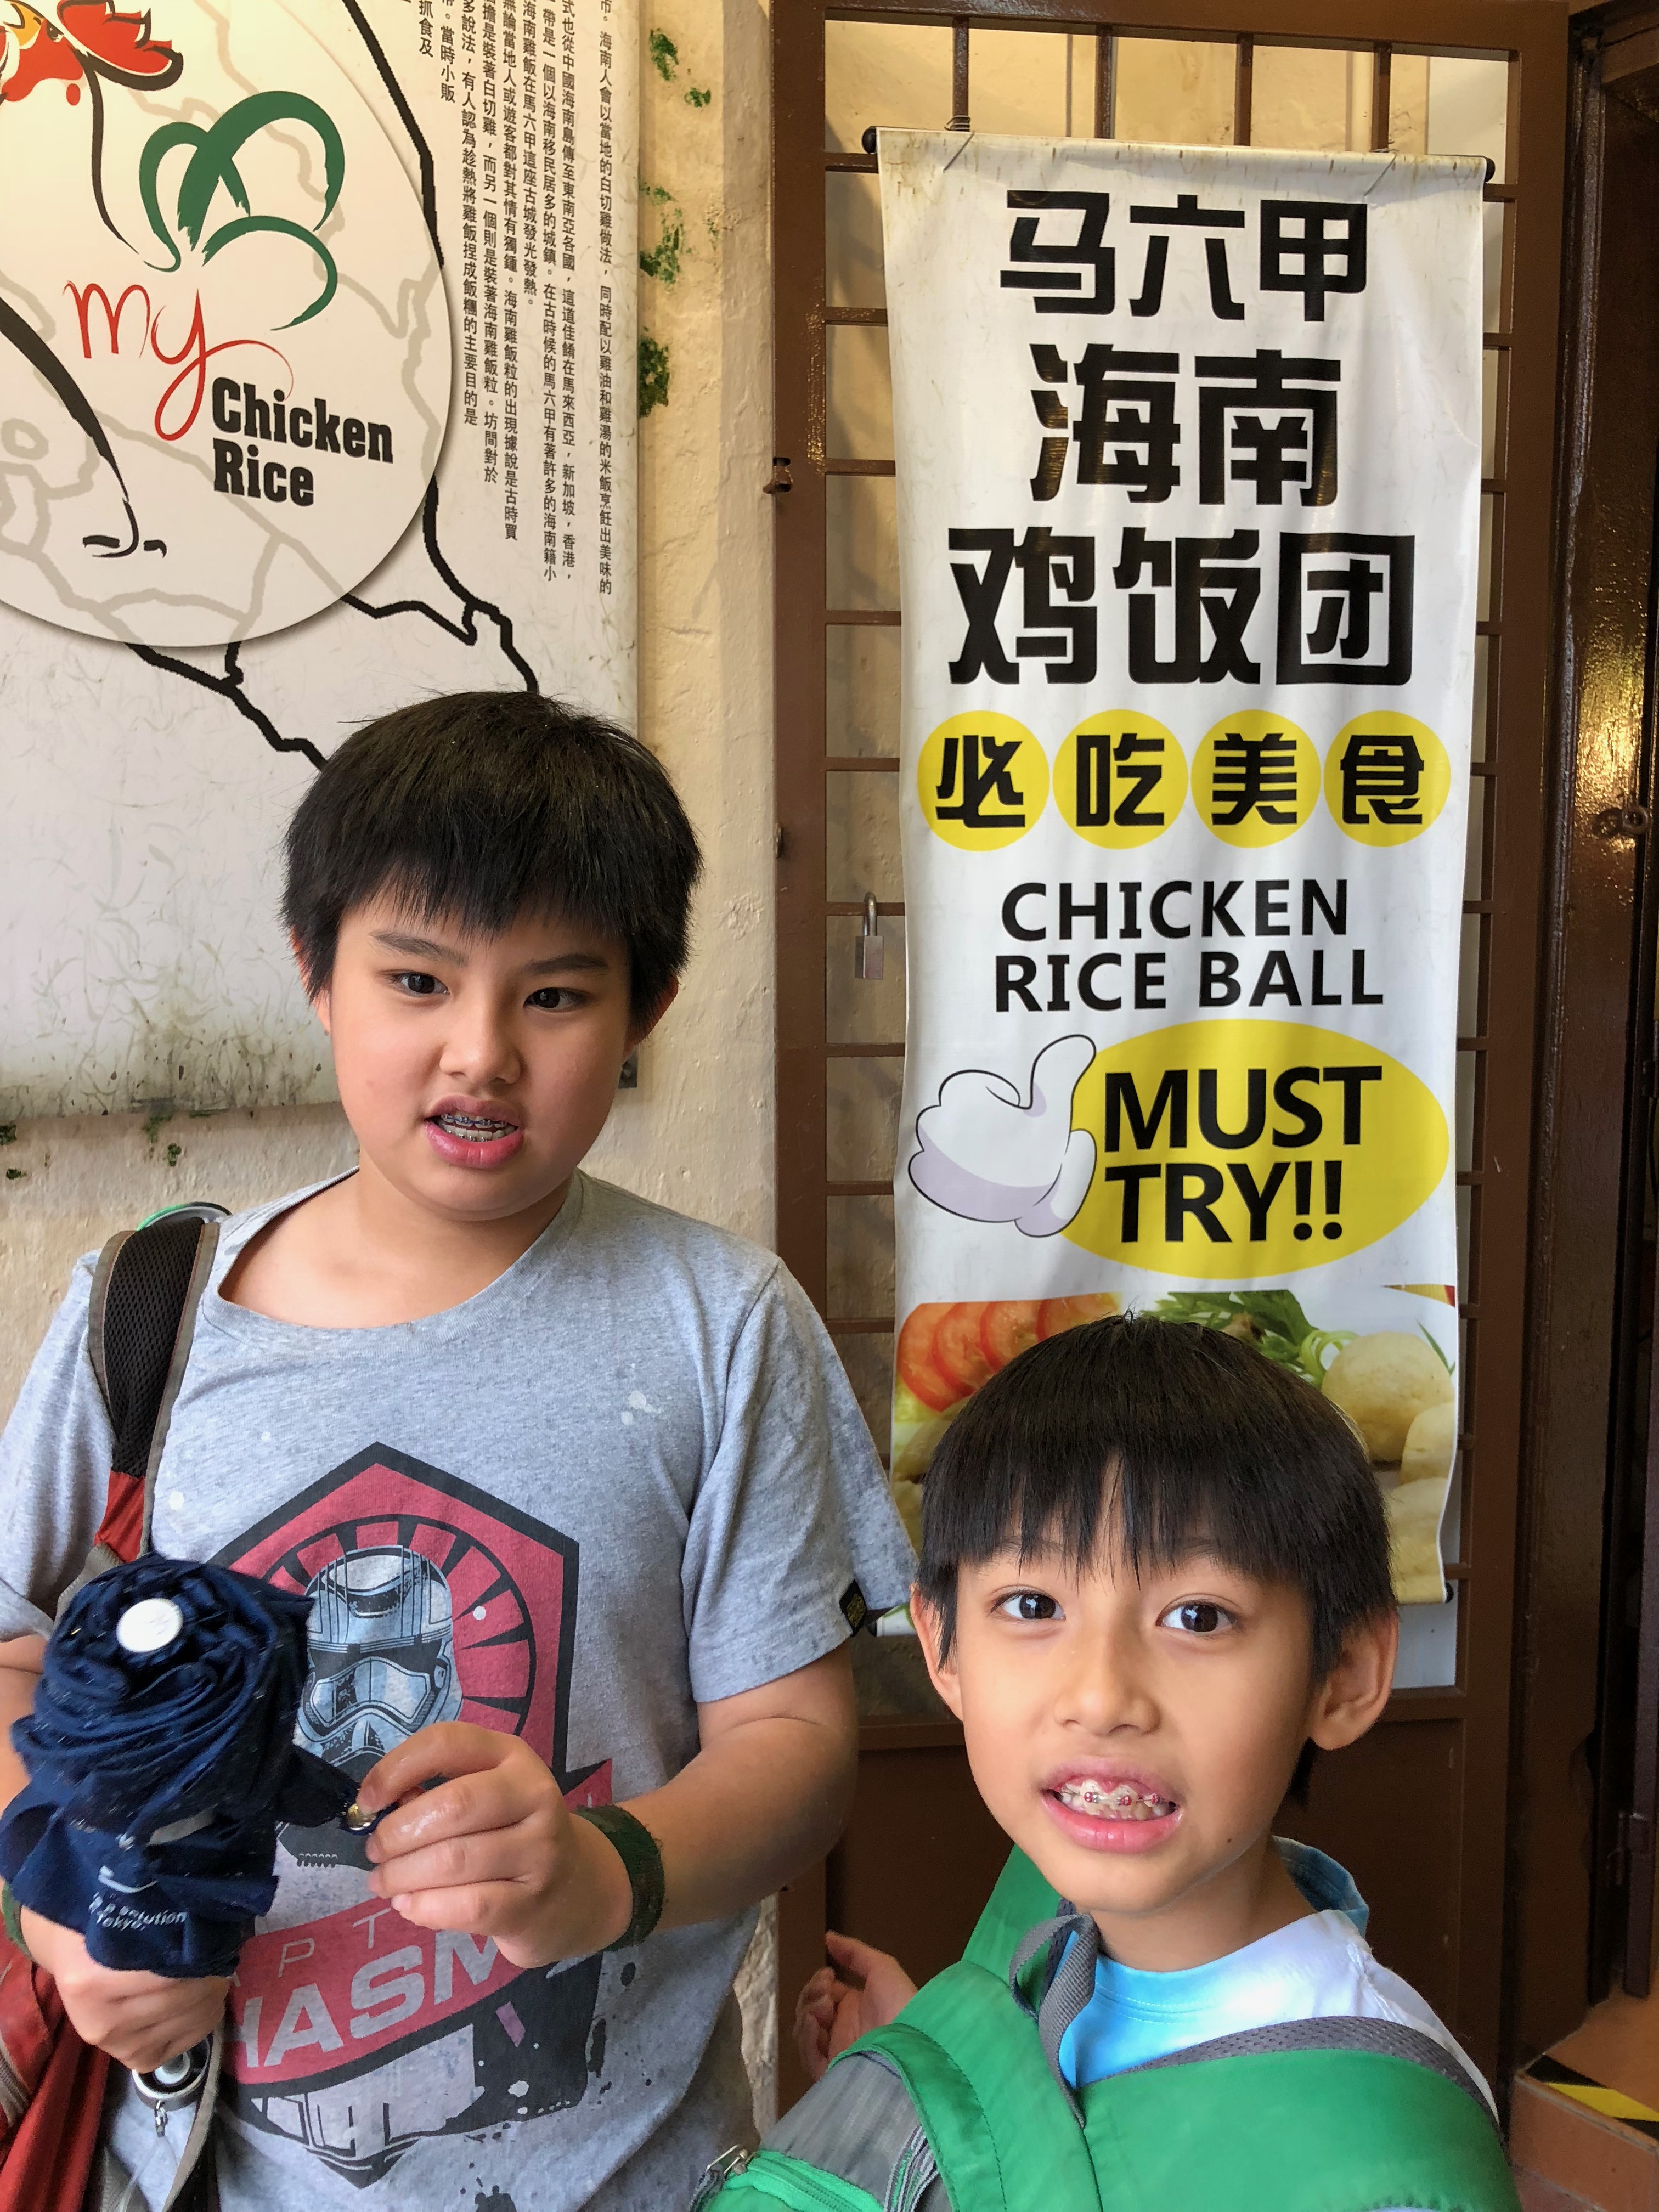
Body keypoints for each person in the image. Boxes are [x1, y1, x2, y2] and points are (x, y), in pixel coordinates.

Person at [0, 692, 916, 2210]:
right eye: (416, 979)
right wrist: (65, 1915)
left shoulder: (721, 1322)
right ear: (316, 973)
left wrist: (602, 1869)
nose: (479, 1053)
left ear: (645, 1011)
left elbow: (799, 1753)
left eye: (555, 996)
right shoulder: (149, 1314)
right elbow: (16, 1658)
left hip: (635, 2176)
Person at [700, 1316, 1518, 2212]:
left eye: (1198, 1617)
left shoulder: (1389, 2169)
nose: (1101, 1696)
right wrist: (950, 2065)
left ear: (1344, 1675)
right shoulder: (1045, 1923)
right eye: (1031, 1602)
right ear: (943, 1649)